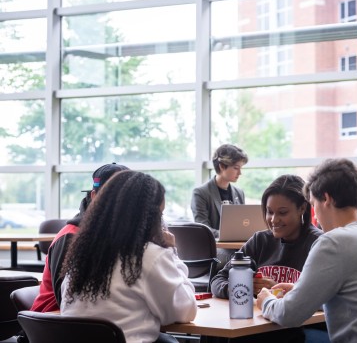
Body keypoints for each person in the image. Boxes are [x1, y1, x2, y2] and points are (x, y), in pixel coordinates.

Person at [257, 158, 357, 342]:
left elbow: (289, 316)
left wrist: (267, 301)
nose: (314, 214)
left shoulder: (333, 243)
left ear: (326, 199)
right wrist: (302, 291)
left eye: (313, 204)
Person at [60, 171, 196, 343]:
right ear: (148, 217)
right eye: (159, 215)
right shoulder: (149, 255)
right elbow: (186, 311)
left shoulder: (83, 253)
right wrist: (171, 252)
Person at [211, 174, 325, 343]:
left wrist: (280, 294)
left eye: (283, 213)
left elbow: (323, 298)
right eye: (269, 212)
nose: (274, 220)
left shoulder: (319, 244)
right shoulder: (260, 240)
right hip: (257, 324)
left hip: (295, 328)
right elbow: (218, 279)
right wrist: (241, 288)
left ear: (302, 208)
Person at [31, 162, 129, 312]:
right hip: (52, 326)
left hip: (91, 321)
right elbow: (66, 300)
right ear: (94, 196)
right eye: (115, 195)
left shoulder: (113, 234)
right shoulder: (70, 237)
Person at [191, 144, 248, 268]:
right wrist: (227, 234)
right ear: (222, 166)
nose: (240, 173)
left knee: (251, 256)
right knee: (239, 259)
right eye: (236, 168)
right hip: (211, 250)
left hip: (235, 249)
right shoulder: (201, 193)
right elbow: (203, 228)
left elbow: (243, 224)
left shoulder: (239, 193)